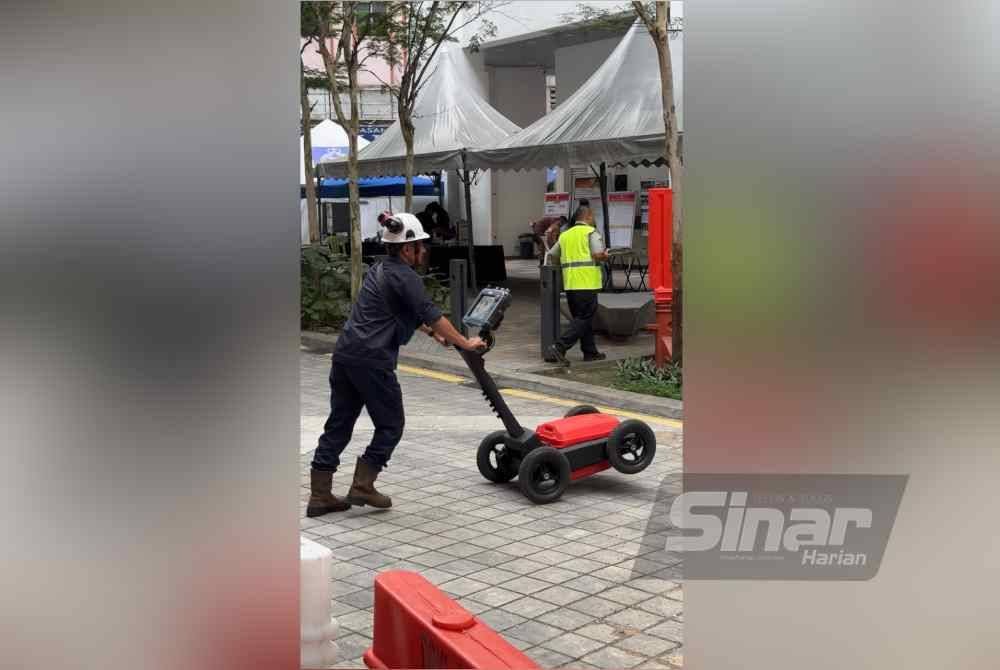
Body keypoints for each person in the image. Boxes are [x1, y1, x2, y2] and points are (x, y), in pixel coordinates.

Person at [307, 212, 485, 517]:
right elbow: (431, 312)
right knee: (391, 425)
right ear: (406, 249)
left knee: (339, 423)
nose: (424, 251)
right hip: (373, 360)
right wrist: (465, 342)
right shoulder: (405, 276)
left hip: (346, 355)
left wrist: (433, 335)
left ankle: (320, 496)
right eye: (420, 245)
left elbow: (402, 310)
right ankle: (363, 485)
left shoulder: (379, 269)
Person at [544, 205, 609, 365]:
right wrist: (605, 256)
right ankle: (559, 347)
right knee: (585, 318)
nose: (594, 219)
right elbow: (597, 254)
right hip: (587, 283)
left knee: (581, 319)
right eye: (592, 216)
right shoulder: (591, 233)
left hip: (571, 284)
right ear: (587, 217)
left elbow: (552, 255)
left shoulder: (565, 235)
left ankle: (590, 352)